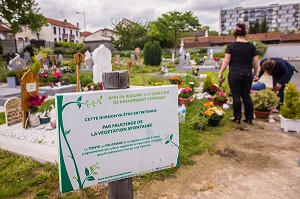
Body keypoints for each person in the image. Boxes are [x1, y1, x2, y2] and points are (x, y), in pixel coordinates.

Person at [218, 23, 259, 124]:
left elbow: (226, 61)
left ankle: (237, 117)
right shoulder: (251, 47)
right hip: (247, 73)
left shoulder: (231, 46)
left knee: (236, 96)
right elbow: (256, 61)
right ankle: (249, 118)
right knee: (246, 95)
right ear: (245, 35)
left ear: (235, 35)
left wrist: (220, 73)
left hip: (235, 73)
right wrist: (256, 73)